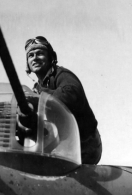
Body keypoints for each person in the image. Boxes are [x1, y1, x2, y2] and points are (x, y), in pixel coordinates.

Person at [18, 36, 102, 164]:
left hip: (85, 145)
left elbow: (70, 95)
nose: (35, 58)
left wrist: (39, 96)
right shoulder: (38, 87)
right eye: (31, 55)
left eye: (40, 53)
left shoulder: (62, 75)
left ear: (51, 57)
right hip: (64, 143)